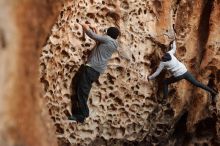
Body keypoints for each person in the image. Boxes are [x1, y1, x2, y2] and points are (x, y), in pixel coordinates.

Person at [68, 23, 122, 123]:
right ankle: (80, 113)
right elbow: (98, 41)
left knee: (82, 91)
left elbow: (92, 35)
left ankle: (82, 114)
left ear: (108, 34)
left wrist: (84, 26)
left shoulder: (107, 39)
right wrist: (95, 29)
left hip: (91, 68)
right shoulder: (114, 44)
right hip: (96, 71)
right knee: (82, 88)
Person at [147, 40, 218, 103]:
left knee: (165, 82)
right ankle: (213, 92)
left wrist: (150, 77)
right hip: (185, 71)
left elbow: (157, 73)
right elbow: (174, 48)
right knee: (197, 83)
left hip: (178, 76)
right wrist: (173, 41)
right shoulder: (170, 53)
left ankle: (165, 99)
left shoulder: (162, 63)